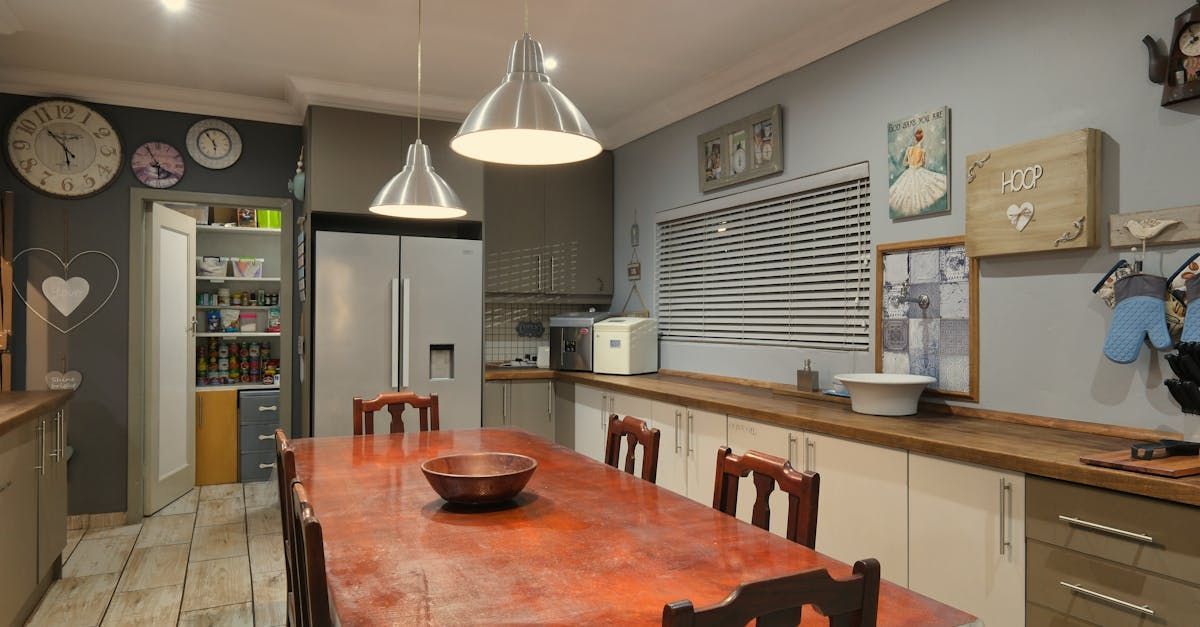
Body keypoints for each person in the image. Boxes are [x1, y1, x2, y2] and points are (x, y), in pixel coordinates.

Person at [888, 127, 946, 216]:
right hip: (916, 171)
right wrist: (915, 165)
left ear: (915, 137)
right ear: (922, 138)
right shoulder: (920, 150)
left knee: (910, 192)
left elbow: (905, 163)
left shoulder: (912, 149)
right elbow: (922, 164)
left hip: (911, 171)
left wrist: (911, 164)